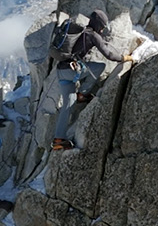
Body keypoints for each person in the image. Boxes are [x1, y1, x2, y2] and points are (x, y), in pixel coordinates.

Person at [49, 9, 133, 150]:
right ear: (100, 25)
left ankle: (58, 140)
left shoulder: (82, 31)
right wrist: (124, 58)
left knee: (68, 105)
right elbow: (109, 54)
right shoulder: (92, 35)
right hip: (72, 71)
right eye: (103, 27)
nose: (102, 30)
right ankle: (83, 93)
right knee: (99, 67)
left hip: (61, 72)